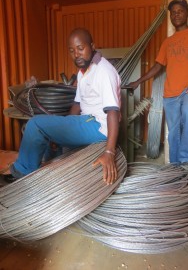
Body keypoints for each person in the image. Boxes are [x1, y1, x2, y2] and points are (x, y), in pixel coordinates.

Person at [1, 28, 121, 185]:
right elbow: (77, 104)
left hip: (98, 125)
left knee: (36, 124)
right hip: (88, 120)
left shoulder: (104, 71)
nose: (76, 54)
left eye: (80, 48)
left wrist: (109, 152)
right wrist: (63, 128)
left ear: (92, 46)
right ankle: (49, 178)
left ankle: (22, 173)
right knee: (50, 135)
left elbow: (113, 111)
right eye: (71, 51)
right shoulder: (83, 71)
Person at [128, 0, 188, 173]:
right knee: (173, 130)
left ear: (187, 13)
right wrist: (139, 81)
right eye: (173, 12)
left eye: (180, 11)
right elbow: (158, 66)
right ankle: (175, 166)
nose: (176, 14)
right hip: (170, 94)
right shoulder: (167, 42)